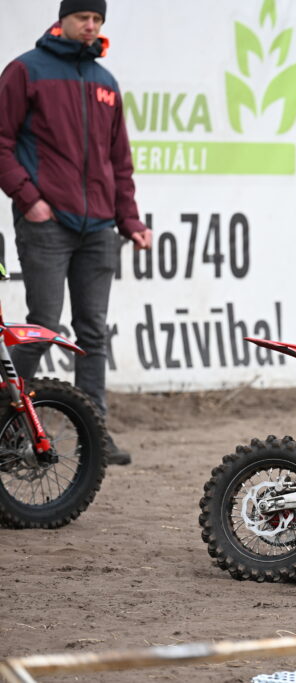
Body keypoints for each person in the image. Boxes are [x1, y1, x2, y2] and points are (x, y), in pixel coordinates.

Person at [0, 0, 153, 465]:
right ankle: (7, 424)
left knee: (92, 335)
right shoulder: (26, 71)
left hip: (99, 228)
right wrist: (30, 199)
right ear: (62, 19)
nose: (91, 25)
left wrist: (130, 221)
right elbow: (1, 142)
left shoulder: (106, 82)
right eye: (83, 17)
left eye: (97, 19)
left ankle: (95, 435)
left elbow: (119, 162)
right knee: (41, 329)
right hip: (47, 223)